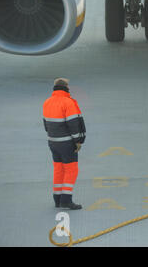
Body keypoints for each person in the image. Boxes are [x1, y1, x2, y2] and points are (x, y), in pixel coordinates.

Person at [43, 78, 86, 210]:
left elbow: (46, 124)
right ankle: (66, 200)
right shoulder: (68, 102)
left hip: (53, 142)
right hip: (66, 143)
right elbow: (73, 124)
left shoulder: (47, 102)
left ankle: (57, 199)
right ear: (66, 87)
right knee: (71, 170)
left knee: (58, 169)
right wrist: (78, 141)